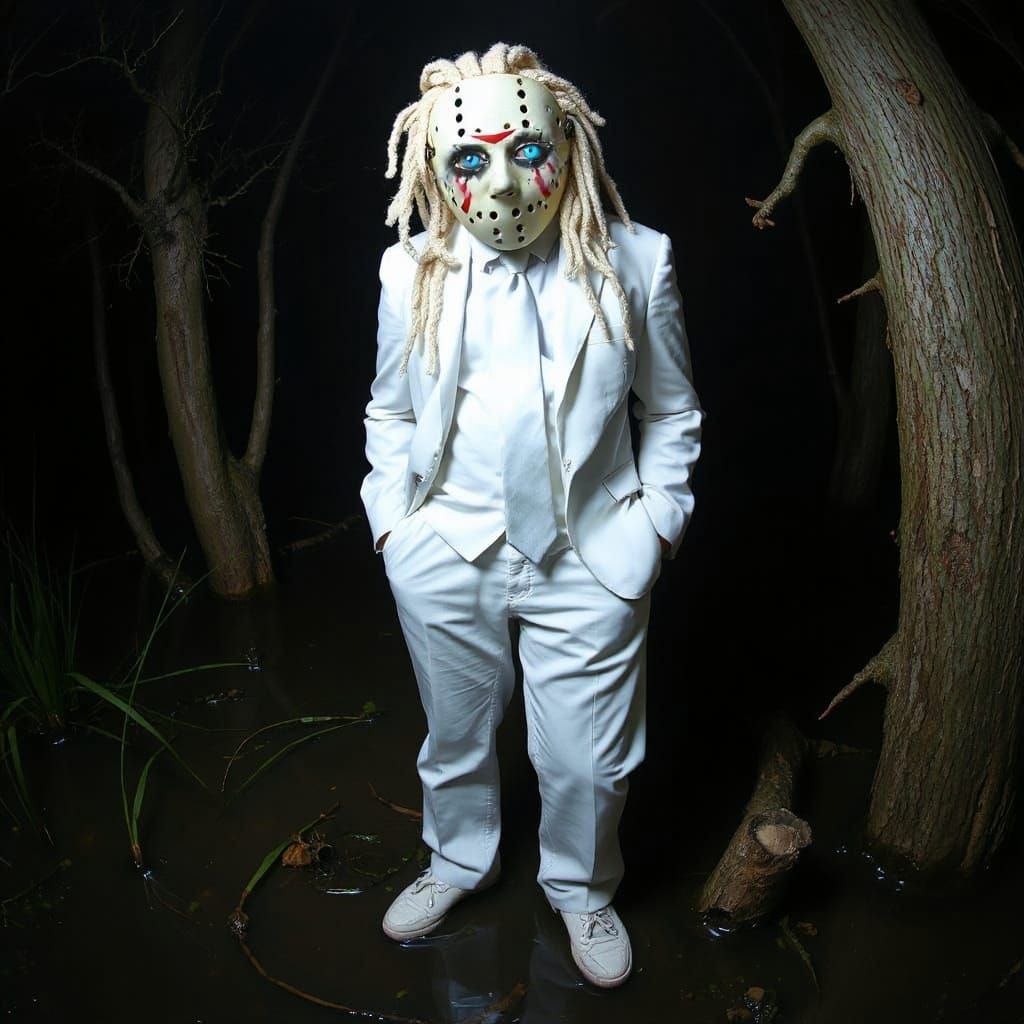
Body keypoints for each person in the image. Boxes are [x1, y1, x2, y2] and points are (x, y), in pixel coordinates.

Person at [360, 41, 703, 989]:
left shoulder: (638, 260)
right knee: (455, 735)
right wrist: (394, 525)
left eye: (527, 151)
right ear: (436, 169)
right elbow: (389, 409)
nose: (504, 183)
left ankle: (582, 888)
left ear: (568, 146)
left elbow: (672, 411)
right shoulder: (409, 272)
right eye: (470, 159)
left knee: (590, 764)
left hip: (591, 551)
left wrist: (655, 525)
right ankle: (457, 861)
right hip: (447, 545)